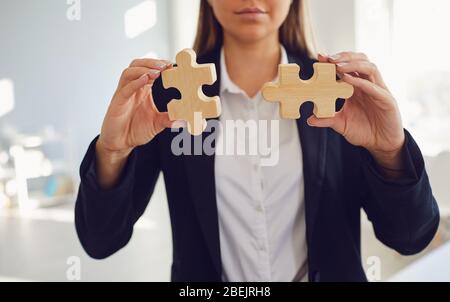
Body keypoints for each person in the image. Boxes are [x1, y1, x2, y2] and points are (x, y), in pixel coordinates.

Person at [75, 0, 439, 282]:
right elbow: (100, 240)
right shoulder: (171, 95)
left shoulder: (338, 92)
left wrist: (389, 151)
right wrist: (112, 152)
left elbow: (410, 237)